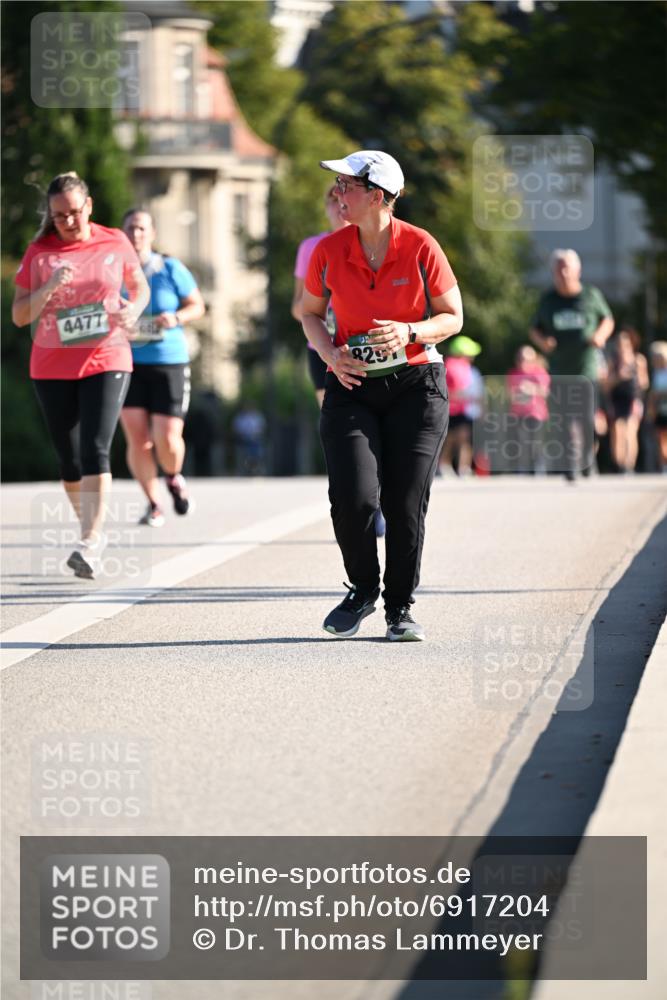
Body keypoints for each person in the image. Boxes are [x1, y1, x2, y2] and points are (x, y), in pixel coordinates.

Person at [300, 150, 463, 642]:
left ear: (376, 195)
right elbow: (309, 313)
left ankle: (400, 607)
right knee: (353, 497)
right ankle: (363, 590)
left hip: (417, 386)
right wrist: (330, 354)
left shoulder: (420, 245)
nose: (337, 195)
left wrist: (412, 331)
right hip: (352, 386)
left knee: (404, 499)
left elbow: (453, 316)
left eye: (346, 186)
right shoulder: (328, 250)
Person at [12, 171, 149, 579]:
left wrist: (133, 309)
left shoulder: (115, 241)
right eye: (59, 215)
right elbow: (20, 316)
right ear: (51, 216)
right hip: (51, 363)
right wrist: (48, 287)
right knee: (69, 459)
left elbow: (138, 287)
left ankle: (89, 541)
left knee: (95, 447)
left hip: (107, 356)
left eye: (74, 212)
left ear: (88, 206)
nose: (69, 221)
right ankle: (89, 529)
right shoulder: (39, 251)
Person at [292, 186, 386, 537]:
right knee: (338, 425)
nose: (337, 207)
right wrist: (327, 309)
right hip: (323, 347)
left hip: (365, 345)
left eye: (341, 200)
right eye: (331, 201)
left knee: (376, 421)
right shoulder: (313, 247)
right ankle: (358, 496)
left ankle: (378, 495)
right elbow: (298, 305)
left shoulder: (372, 241)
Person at [120, 208, 205, 526]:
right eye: (130, 228)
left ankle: (172, 476)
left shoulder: (169, 267)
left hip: (168, 361)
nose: (136, 234)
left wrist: (176, 318)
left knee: (167, 439)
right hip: (126, 363)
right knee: (138, 438)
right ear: (122, 232)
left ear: (152, 233)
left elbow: (197, 306)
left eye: (142, 228)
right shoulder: (114, 271)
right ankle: (153, 502)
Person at [529, 249, 614, 480]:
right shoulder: (548, 300)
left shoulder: (590, 295)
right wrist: (543, 341)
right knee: (564, 419)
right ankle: (571, 464)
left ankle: (587, 459)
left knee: (585, 418)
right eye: (558, 268)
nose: (563, 272)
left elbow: (607, 319)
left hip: (586, 369)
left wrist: (600, 335)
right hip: (559, 370)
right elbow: (534, 329)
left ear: (578, 270)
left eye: (567, 267)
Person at [605, 327, 649, 473]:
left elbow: (645, 383)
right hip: (617, 399)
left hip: (633, 399)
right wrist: (619, 376)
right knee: (617, 431)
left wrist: (635, 375)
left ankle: (629, 465)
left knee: (630, 430)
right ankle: (620, 464)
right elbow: (606, 384)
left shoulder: (638, 360)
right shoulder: (614, 362)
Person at [439, 335, 483, 476]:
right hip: (452, 409)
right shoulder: (452, 366)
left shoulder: (464, 367)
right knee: (452, 438)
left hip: (463, 410)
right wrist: (467, 397)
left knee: (464, 437)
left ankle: (463, 468)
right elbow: (452, 391)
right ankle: (445, 465)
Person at [506, 345, 551, 474]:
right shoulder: (513, 373)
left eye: (526, 358)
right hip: (518, 413)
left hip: (536, 414)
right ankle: (522, 468)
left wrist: (531, 388)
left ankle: (538, 467)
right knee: (520, 442)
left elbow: (545, 392)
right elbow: (510, 394)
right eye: (520, 358)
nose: (523, 361)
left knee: (535, 442)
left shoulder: (539, 372)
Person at [648, 341, 667, 472]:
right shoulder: (655, 373)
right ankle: (663, 465)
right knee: (660, 438)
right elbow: (652, 394)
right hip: (659, 409)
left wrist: (659, 393)